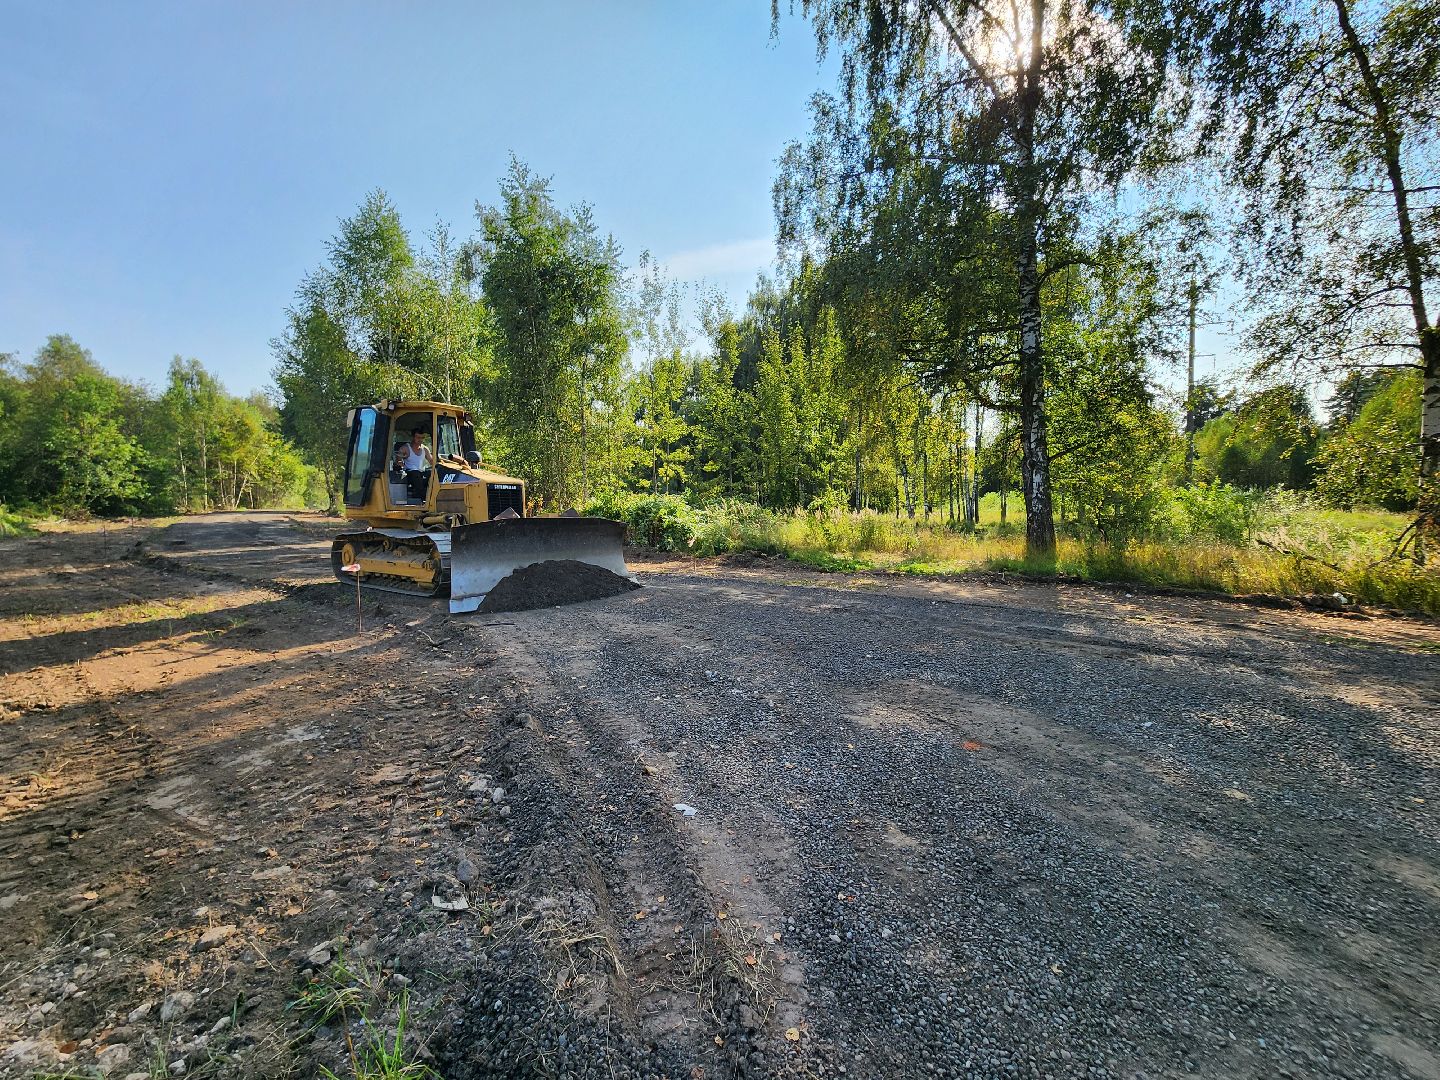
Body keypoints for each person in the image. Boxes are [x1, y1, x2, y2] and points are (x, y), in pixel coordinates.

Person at [395, 426, 433, 499]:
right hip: (409, 473)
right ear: (413, 437)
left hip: (421, 472)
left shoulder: (425, 449)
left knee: (431, 473)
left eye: (422, 438)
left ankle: (430, 496)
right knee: (415, 474)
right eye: (418, 437)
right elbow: (398, 461)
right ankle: (421, 497)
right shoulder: (405, 448)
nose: (420, 440)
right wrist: (401, 463)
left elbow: (431, 461)